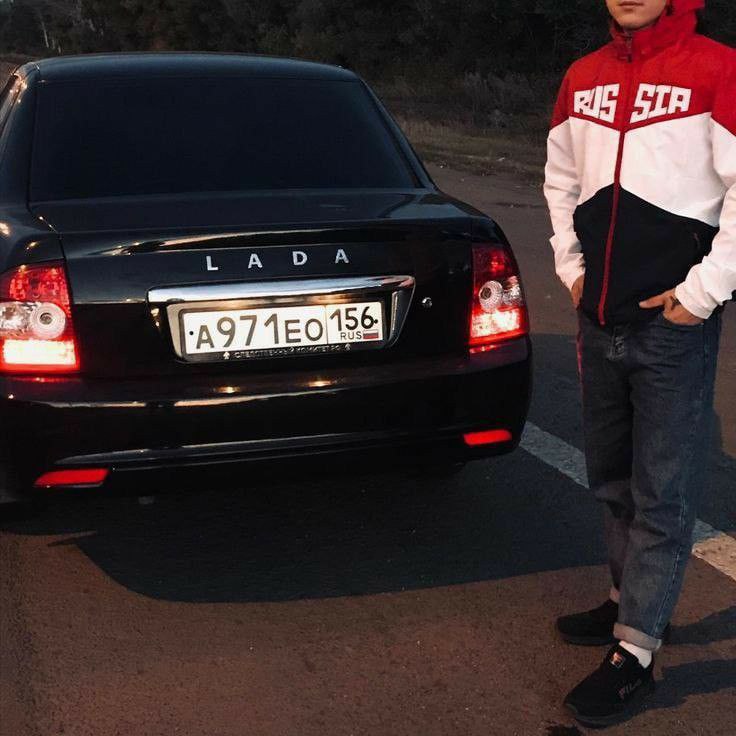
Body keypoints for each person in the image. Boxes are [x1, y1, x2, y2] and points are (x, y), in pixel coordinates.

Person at [543, 0, 735, 727]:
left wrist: (703, 293)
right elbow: (560, 181)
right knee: (611, 476)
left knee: (661, 494)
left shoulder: (718, 69)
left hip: (671, 325)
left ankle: (638, 655)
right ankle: (628, 603)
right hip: (599, 317)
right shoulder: (582, 75)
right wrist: (571, 268)